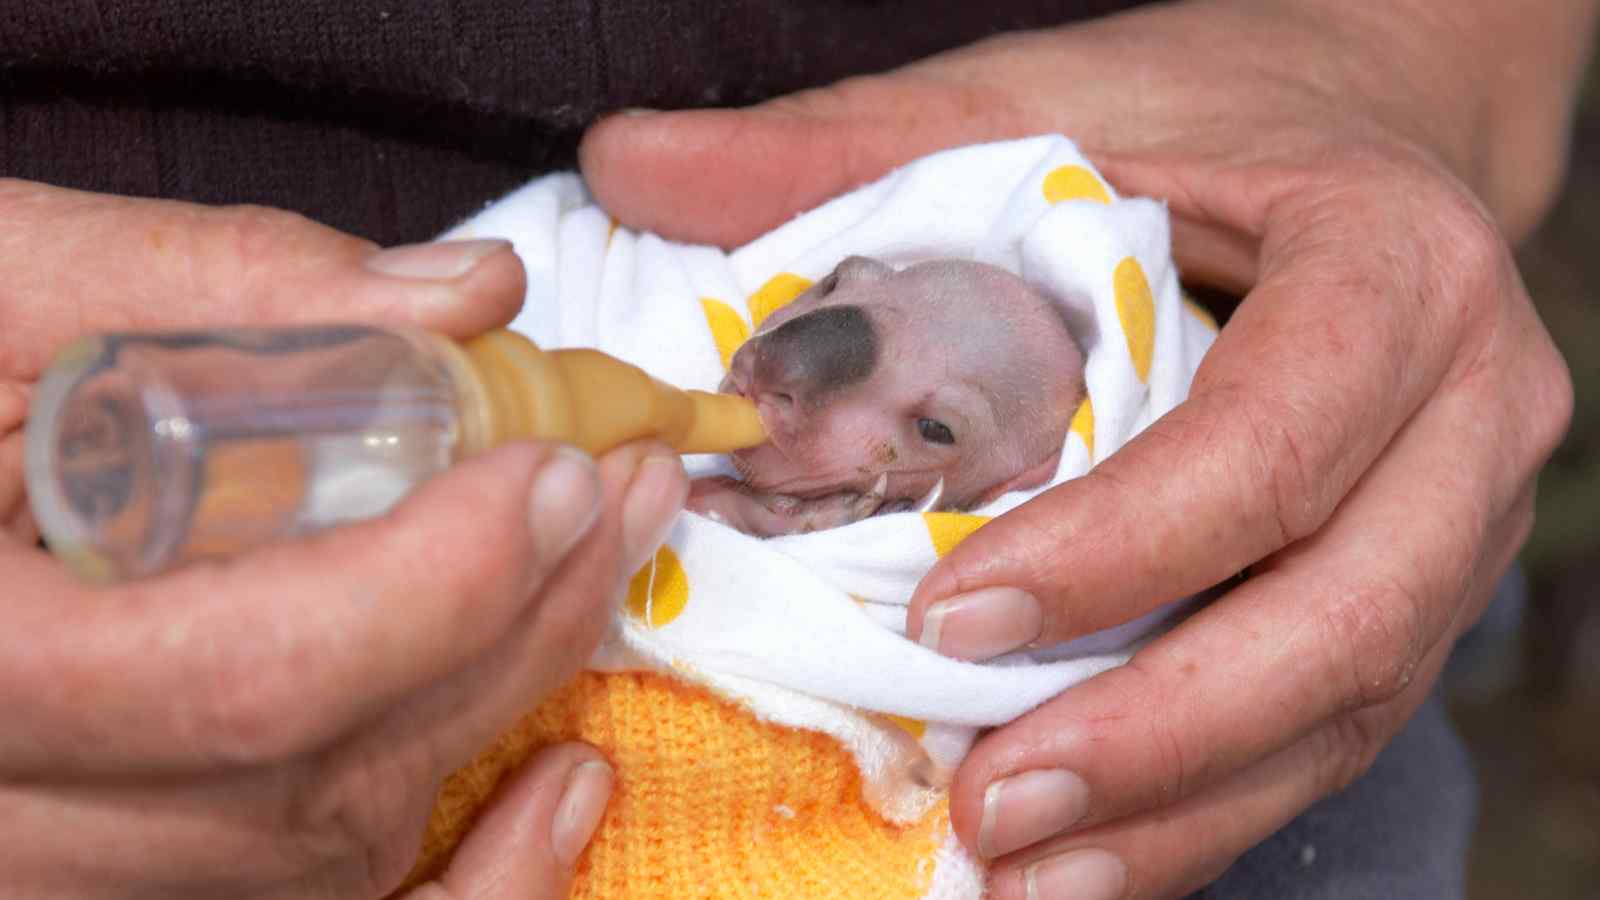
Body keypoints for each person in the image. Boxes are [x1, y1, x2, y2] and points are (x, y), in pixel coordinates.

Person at [0, 1, 1589, 898]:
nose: (788, 395)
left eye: (936, 430)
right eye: (841, 310)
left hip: (1195, 773)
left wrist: (1389, 62)